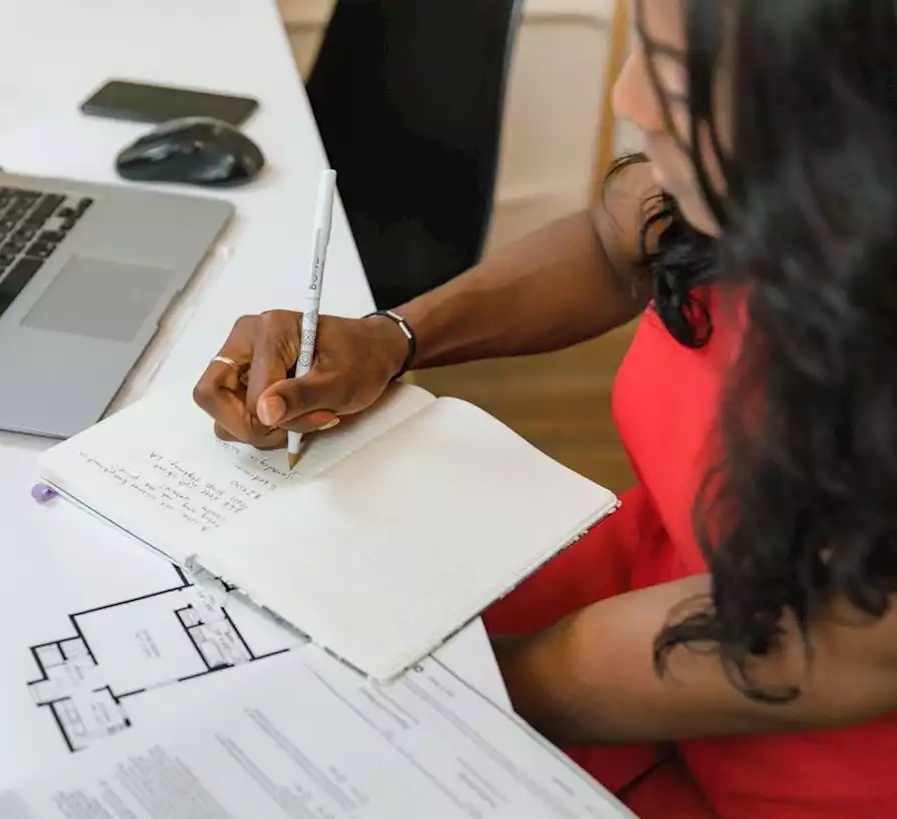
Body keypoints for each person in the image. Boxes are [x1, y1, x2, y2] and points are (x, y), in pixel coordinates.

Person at [191, 1, 897, 816]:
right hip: (629, 597)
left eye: (671, 77)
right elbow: (613, 238)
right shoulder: (750, 178)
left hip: (773, 751)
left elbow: (797, 636)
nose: (625, 100)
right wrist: (393, 338)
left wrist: (439, 693)